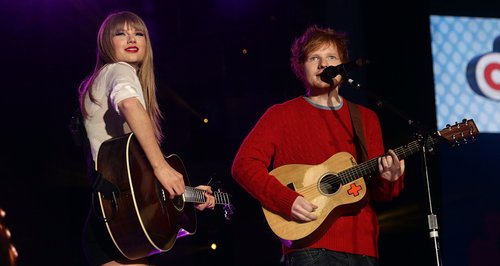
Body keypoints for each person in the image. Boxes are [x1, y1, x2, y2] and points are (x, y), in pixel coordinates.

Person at [231, 25, 405, 266]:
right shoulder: (280, 115)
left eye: (331, 57)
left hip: (363, 248)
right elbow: (243, 165)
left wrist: (390, 177)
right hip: (309, 247)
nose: (324, 64)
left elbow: (379, 192)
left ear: (343, 67)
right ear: (300, 67)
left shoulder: (366, 118)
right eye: (314, 58)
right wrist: (286, 199)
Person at [77, 11, 215, 266]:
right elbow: (129, 103)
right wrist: (162, 167)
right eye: (121, 33)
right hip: (120, 221)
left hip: (119, 220)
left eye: (138, 33)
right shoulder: (118, 70)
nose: (131, 38)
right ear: (106, 43)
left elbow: (138, 179)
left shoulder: (100, 80)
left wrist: (187, 194)